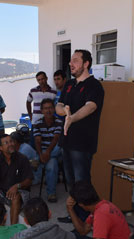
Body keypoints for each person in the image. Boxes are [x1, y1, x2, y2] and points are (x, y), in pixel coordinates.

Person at [55, 50, 104, 187]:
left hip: (82, 144)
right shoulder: (69, 84)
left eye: (75, 60)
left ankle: (85, 209)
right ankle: (74, 208)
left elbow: (91, 106)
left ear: (86, 64)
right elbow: (59, 106)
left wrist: (72, 118)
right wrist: (64, 111)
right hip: (66, 142)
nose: (71, 63)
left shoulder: (94, 85)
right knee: (71, 184)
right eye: (71, 60)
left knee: (82, 185)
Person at [0, 134, 33, 225]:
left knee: (15, 196)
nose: (10, 144)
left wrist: (17, 186)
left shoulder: (22, 159)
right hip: (2, 192)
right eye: (6, 143)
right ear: (0, 148)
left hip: (20, 191)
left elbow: (29, 180)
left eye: (11, 141)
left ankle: (13, 229)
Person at [34, 98, 63, 203]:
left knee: (59, 147)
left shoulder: (59, 122)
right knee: (52, 164)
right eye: (45, 108)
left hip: (55, 151)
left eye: (50, 108)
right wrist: (41, 153)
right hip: (46, 152)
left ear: (54, 109)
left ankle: (39, 161)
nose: (48, 111)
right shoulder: (37, 123)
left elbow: (56, 138)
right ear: (41, 111)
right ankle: (51, 193)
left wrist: (46, 154)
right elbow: (37, 141)